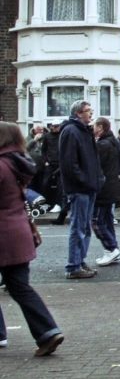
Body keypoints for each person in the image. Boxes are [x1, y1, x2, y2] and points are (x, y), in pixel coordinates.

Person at [0, 121, 64, 356]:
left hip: (3, 233)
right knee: (20, 287)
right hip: (18, 232)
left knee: (19, 287)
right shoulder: (17, 163)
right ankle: (47, 331)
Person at [59, 100, 104, 280]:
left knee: (85, 228)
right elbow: (69, 164)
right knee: (78, 227)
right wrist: (86, 181)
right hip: (80, 189)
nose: (91, 113)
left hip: (88, 187)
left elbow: (92, 160)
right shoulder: (71, 132)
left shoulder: (83, 131)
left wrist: (98, 179)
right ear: (78, 113)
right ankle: (73, 265)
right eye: (88, 111)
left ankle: (79, 261)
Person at [92, 117, 120, 267]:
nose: (93, 128)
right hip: (112, 185)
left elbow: (95, 166)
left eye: (95, 126)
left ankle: (110, 249)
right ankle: (112, 248)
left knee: (96, 221)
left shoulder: (102, 145)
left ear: (101, 128)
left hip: (102, 188)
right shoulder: (114, 142)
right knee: (108, 220)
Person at [39, 122, 64, 224]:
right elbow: (43, 150)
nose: (55, 128)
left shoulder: (62, 135)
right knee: (45, 183)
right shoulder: (47, 137)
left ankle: (58, 204)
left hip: (60, 163)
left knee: (60, 185)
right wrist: (45, 161)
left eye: (57, 126)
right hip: (50, 163)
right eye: (54, 126)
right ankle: (46, 203)